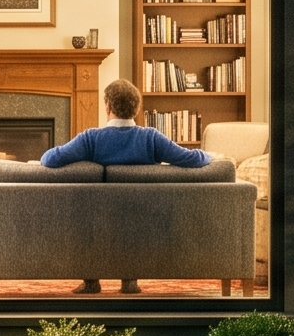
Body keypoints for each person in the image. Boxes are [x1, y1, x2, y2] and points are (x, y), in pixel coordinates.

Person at [41, 79, 208, 292]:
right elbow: (192, 159)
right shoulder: (151, 138)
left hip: (96, 221)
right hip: (144, 220)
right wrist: (210, 156)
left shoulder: (91, 138)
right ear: (136, 109)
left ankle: (91, 280)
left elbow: (49, 160)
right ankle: (129, 280)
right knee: (132, 217)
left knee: (87, 213)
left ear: (108, 107)